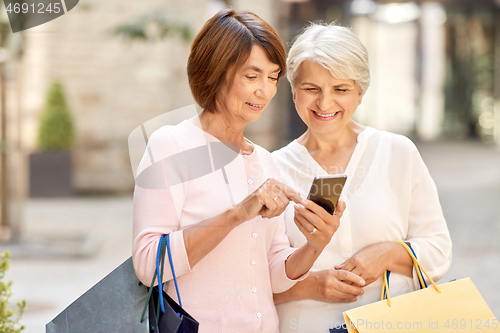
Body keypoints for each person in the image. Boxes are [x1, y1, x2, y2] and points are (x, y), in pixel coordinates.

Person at [132, 10, 344, 333]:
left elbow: (273, 272)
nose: (266, 90)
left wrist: (314, 246)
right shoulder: (171, 146)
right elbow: (149, 264)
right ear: (216, 72)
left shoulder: (264, 162)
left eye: (273, 77)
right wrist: (237, 214)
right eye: (252, 76)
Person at [272, 23, 452, 332]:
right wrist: (311, 285)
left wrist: (388, 254)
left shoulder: (396, 152)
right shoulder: (273, 168)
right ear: (293, 91)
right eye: (311, 88)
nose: (325, 103)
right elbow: (252, 280)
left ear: (360, 92)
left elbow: (439, 251)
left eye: (340, 89)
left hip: (394, 324)